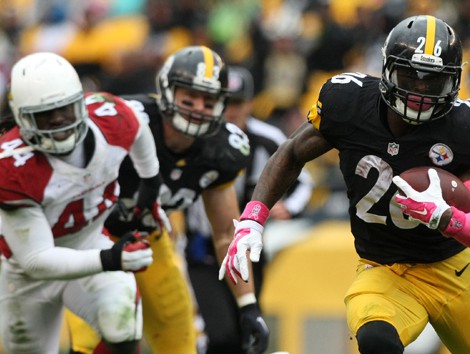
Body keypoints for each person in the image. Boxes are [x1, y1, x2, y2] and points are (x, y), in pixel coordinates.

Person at [220, 15, 470, 354]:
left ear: (452, 83)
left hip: (453, 270)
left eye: (431, 82)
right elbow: (291, 151)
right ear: (387, 70)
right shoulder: (349, 104)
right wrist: (253, 217)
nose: (419, 91)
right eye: (409, 76)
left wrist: (445, 217)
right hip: (382, 269)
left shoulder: (466, 127)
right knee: (377, 343)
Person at [66, 46, 269, 354]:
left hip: (148, 238)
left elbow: (227, 234)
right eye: (189, 97)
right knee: (99, 334)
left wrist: (248, 305)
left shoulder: (223, 149)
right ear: (166, 91)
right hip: (93, 234)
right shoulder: (126, 120)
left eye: (208, 100)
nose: (198, 108)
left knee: (179, 340)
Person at [0, 52, 165, 353]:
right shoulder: (12, 165)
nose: (59, 121)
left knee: (123, 323)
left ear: (81, 102)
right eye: (45, 115)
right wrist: (112, 259)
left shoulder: (110, 117)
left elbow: (139, 128)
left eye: (65, 109)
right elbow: (36, 259)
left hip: (87, 242)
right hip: (23, 275)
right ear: (22, 118)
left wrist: (150, 183)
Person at [184, 65, 312, 353]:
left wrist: (289, 207)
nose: (232, 110)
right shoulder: (196, 137)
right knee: (220, 334)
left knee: (248, 329)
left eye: (238, 102)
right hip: (202, 250)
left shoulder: (267, 139)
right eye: (226, 102)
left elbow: (303, 181)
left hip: (248, 251)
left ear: (251, 103)